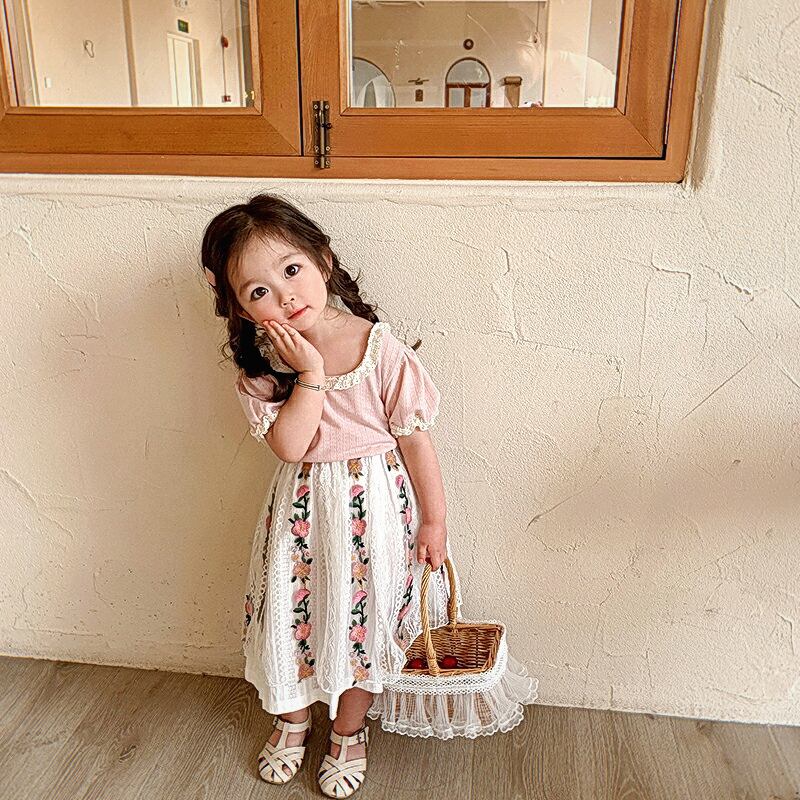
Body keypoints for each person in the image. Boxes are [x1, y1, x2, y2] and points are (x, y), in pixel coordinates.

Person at [199, 192, 464, 797]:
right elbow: (292, 446)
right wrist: (310, 375)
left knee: (364, 620)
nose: (286, 296)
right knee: (292, 614)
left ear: (322, 259)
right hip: (302, 515)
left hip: (377, 511)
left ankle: (348, 729)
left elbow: (417, 441)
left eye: (292, 269)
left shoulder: (380, 349)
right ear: (238, 306)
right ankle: (292, 719)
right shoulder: (264, 366)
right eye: (259, 290)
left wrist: (435, 520)